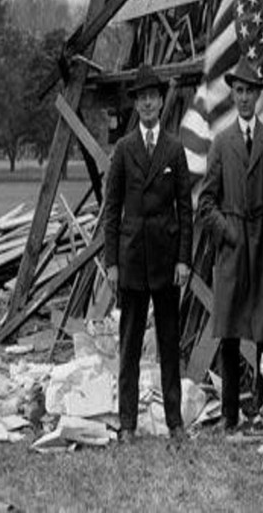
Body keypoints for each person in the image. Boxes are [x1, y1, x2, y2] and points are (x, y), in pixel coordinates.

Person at [103, 65, 193, 445]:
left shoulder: (174, 148)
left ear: (160, 101)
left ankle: (174, 421)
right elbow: (112, 209)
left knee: (169, 344)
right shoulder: (124, 150)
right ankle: (128, 424)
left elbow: (185, 210)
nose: (148, 103)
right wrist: (111, 263)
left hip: (166, 260)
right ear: (135, 105)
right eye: (141, 98)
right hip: (132, 259)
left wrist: (183, 259)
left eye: (153, 96)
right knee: (130, 346)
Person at [198, 56, 263, 430]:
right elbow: (206, 203)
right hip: (233, 246)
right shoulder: (222, 142)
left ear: (259, 97)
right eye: (240, 91)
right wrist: (227, 232)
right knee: (230, 331)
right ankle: (231, 413)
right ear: (233, 95)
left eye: (251, 92)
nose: (245, 98)